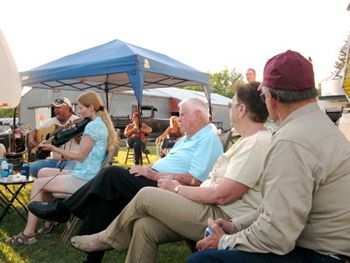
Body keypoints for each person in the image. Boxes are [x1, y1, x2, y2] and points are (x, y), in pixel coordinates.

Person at [68, 81, 272, 263]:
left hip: (220, 217)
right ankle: (100, 233)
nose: (229, 110)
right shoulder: (248, 141)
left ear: (243, 109)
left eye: (232, 105)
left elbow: (222, 195)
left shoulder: (256, 143)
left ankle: (106, 238)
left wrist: (175, 188)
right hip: (204, 205)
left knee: (141, 192)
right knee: (144, 226)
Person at [185, 50, 350, 263]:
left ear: (271, 99)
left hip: (322, 255)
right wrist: (236, 226)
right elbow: (279, 206)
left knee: (203, 261)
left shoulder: (291, 141)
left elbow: (277, 236)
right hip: (330, 249)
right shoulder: (324, 128)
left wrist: (225, 241)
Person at [28, 97, 223, 263]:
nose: (178, 119)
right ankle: (91, 258)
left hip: (170, 191)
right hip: (154, 179)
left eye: (182, 114)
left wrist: (154, 174)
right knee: (104, 201)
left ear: (197, 114)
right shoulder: (188, 138)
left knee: (112, 174)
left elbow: (196, 180)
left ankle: (63, 210)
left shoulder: (208, 138)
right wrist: (147, 170)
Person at [5, 91, 117, 246]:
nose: (79, 112)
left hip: (84, 179)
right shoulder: (100, 123)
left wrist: (53, 148)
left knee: (38, 184)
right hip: (87, 173)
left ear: (91, 107)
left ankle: (28, 234)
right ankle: (51, 219)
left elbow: (79, 157)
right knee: (43, 172)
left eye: (82, 108)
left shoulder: (92, 126)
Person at [28, 97, 80, 177]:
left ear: (68, 108)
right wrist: (31, 139)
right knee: (34, 167)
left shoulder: (77, 121)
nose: (55, 110)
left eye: (58, 107)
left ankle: (55, 185)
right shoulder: (52, 121)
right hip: (55, 161)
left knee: (67, 173)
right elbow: (34, 130)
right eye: (54, 108)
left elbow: (79, 141)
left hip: (72, 160)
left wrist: (76, 131)